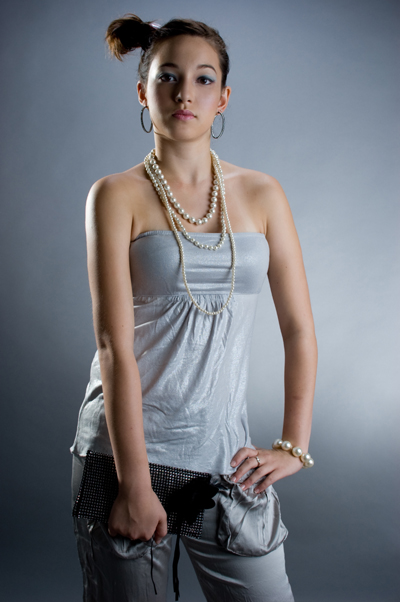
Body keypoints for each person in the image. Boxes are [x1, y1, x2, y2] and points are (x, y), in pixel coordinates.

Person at [70, 13, 318, 602]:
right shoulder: (115, 195)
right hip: (123, 456)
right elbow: (113, 346)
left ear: (223, 97)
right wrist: (135, 484)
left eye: (204, 79)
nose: (186, 93)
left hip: (226, 461)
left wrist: (294, 443)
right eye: (168, 77)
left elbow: (298, 328)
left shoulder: (262, 193)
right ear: (143, 91)